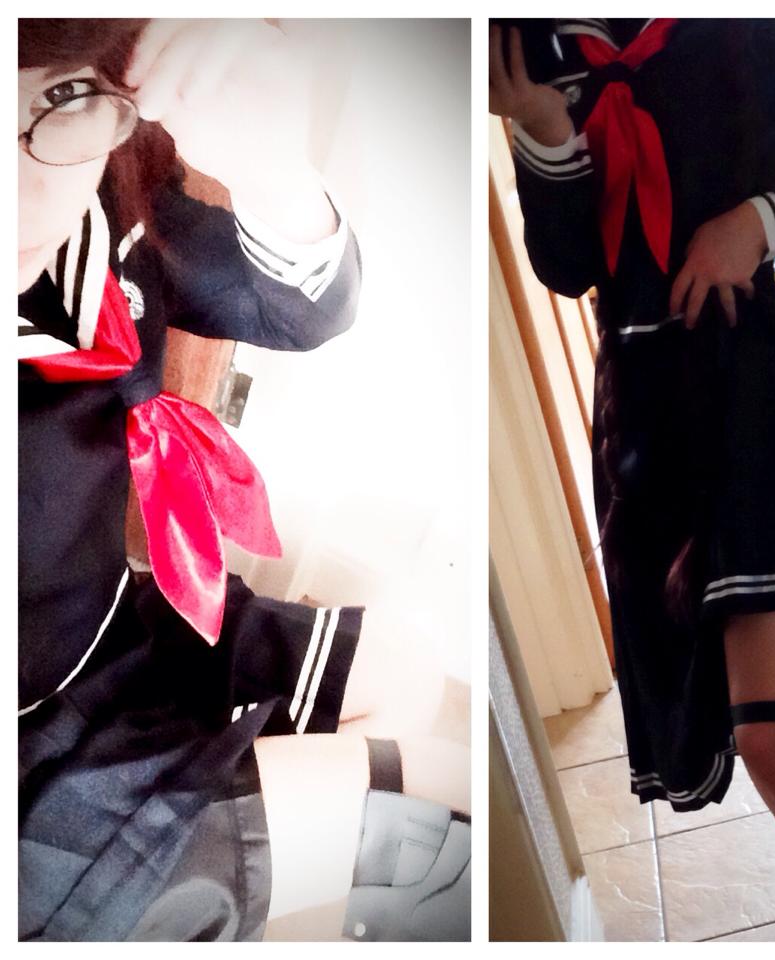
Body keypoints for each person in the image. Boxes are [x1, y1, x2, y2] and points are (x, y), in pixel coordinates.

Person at [20, 19, 469, 941]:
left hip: (115, 639)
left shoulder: (96, 186)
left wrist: (269, 162)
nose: (16, 197)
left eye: (56, 91)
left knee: (404, 667)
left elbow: (302, 308)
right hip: (28, 767)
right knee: (444, 822)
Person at [490, 18, 775, 941]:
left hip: (761, 388)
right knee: (760, 729)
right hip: (646, 432)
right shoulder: (532, 42)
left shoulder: (760, 23)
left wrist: (756, 225)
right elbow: (569, 266)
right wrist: (542, 130)